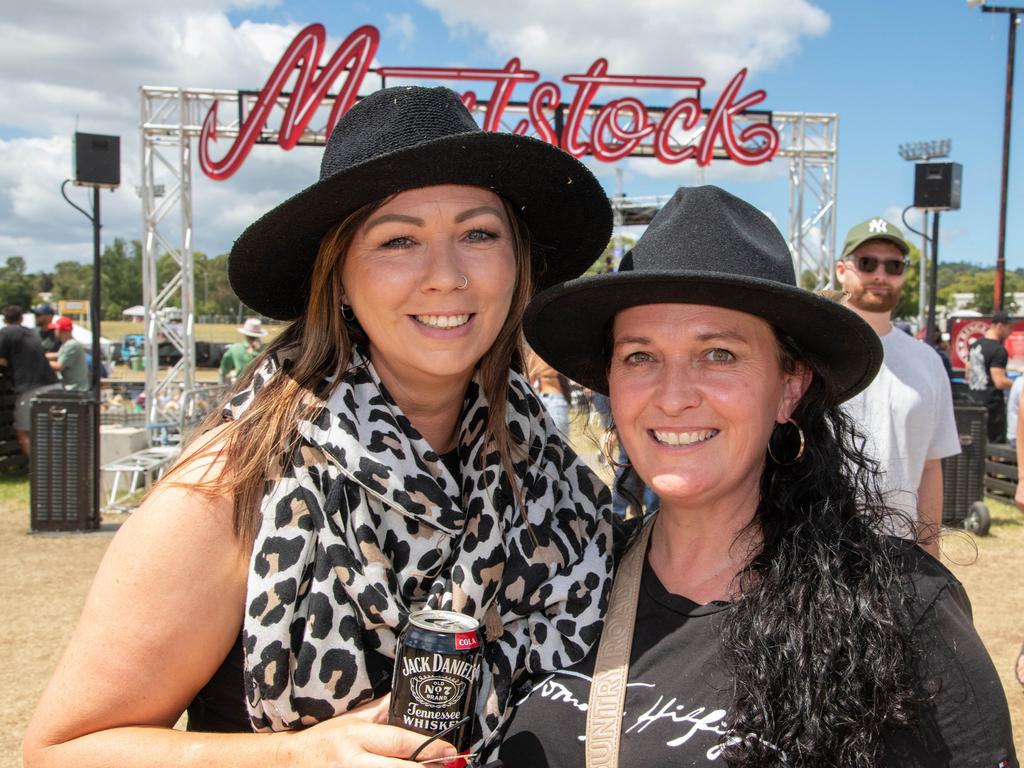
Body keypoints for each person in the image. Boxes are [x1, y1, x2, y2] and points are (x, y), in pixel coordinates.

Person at [24, 86, 615, 767]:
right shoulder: (231, 487)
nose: (446, 276)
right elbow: (61, 751)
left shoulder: (563, 489)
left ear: (518, 267)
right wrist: (295, 758)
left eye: (479, 234)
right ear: (336, 278)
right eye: (399, 240)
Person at [500, 186, 1016, 767]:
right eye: (640, 356)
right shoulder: (565, 582)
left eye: (718, 353)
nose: (672, 398)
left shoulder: (900, 611)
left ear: (789, 386)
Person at [834, 217, 960, 555]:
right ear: (842, 270)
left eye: (893, 265)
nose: (880, 274)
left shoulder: (928, 361)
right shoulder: (814, 349)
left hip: (899, 555)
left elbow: (931, 467)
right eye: (867, 263)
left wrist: (930, 553)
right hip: (818, 547)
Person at [0, 305, 61, 458]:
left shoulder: (5, 333)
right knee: (49, 430)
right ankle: (54, 465)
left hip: (30, 388)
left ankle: (40, 470)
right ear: (21, 318)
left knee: (24, 432)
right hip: (53, 384)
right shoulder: (31, 334)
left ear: (4, 319)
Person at [968, 310, 1015, 443]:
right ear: (1000, 325)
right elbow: (999, 382)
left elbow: (968, 373)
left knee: (976, 445)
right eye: (1009, 328)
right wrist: (1018, 383)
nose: (1010, 332)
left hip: (973, 401)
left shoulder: (974, 346)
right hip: (992, 406)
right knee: (996, 449)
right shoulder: (999, 350)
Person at [524, 344, 572, 435]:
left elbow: (530, 378)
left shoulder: (535, 353)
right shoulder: (555, 353)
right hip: (554, 397)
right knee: (560, 442)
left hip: (543, 397)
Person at [218, 317, 268, 384]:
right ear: (259, 336)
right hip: (263, 388)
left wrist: (221, 387)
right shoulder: (266, 350)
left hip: (240, 388)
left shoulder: (235, 348)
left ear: (245, 335)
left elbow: (223, 370)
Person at [46, 317, 89, 391]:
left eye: (55, 329)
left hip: (75, 389)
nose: (54, 331)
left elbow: (59, 366)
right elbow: (58, 355)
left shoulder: (71, 345)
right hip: (72, 388)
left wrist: (41, 361)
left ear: (60, 330)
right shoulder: (67, 344)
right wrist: (39, 355)